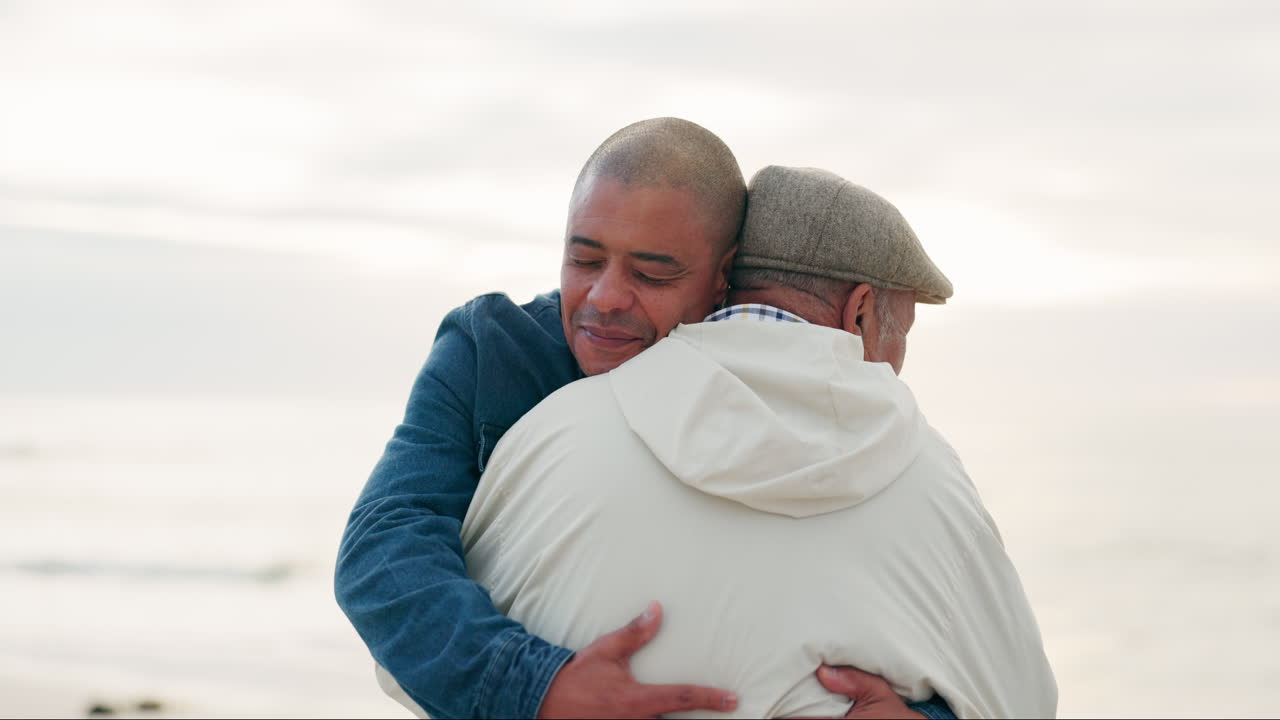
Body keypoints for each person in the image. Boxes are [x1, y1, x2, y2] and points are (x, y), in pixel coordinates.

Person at [336, 119, 953, 718]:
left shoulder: (775, 391)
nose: (604, 298)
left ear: (723, 280)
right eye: (584, 260)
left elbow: (881, 600)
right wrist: (536, 689)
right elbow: (385, 542)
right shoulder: (494, 348)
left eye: (651, 273)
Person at [415, 166, 1058, 717]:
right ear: (859, 311)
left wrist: (536, 687)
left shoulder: (551, 429)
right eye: (903, 334)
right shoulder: (929, 473)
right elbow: (1025, 700)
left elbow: (418, 653)